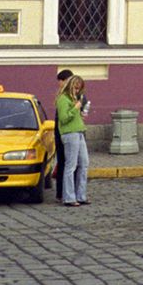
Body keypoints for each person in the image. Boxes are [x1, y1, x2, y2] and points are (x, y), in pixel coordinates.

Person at [57, 74, 89, 207]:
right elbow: (64, 118)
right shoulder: (63, 99)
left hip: (79, 131)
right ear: (70, 86)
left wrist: (80, 114)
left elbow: (75, 116)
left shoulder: (75, 98)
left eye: (79, 89)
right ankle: (69, 197)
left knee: (84, 163)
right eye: (75, 88)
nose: (77, 91)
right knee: (71, 165)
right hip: (69, 134)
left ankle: (81, 195)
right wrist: (75, 108)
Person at [53, 69, 73, 201]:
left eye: (62, 81)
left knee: (69, 163)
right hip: (60, 133)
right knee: (62, 162)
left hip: (69, 132)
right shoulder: (61, 97)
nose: (60, 84)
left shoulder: (73, 95)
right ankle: (61, 193)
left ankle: (66, 192)